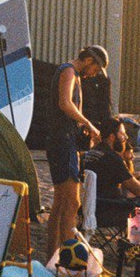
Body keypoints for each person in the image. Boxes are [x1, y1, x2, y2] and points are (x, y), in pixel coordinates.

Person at [45, 46, 106, 260]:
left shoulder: (74, 75)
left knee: (61, 203)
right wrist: (87, 122)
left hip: (65, 140)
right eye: (96, 69)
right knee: (72, 203)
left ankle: (52, 257)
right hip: (63, 142)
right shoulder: (68, 71)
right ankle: (66, 259)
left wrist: (83, 128)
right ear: (88, 59)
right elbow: (65, 103)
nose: (94, 74)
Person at [84, 117, 140, 225]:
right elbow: (136, 188)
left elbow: (133, 184)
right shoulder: (112, 157)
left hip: (91, 206)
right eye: (122, 134)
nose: (126, 138)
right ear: (112, 137)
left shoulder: (93, 152)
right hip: (107, 209)